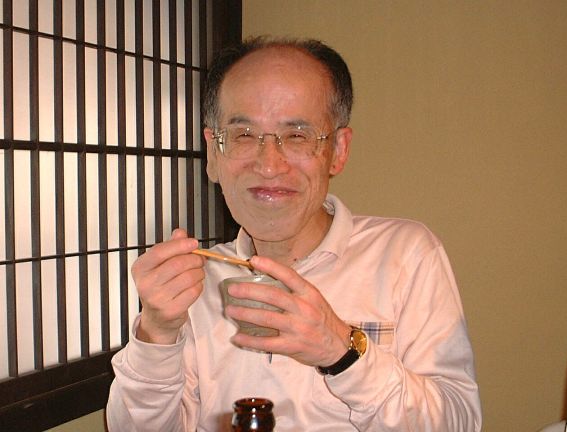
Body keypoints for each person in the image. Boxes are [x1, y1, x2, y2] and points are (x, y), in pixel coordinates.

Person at [106, 36, 482, 431]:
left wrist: (341, 350)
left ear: (338, 150)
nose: (269, 165)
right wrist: (157, 332)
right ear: (213, 154)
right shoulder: (193, 283)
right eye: (244, 135)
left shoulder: (405, 254)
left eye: (298, 136)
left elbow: (458, 423)